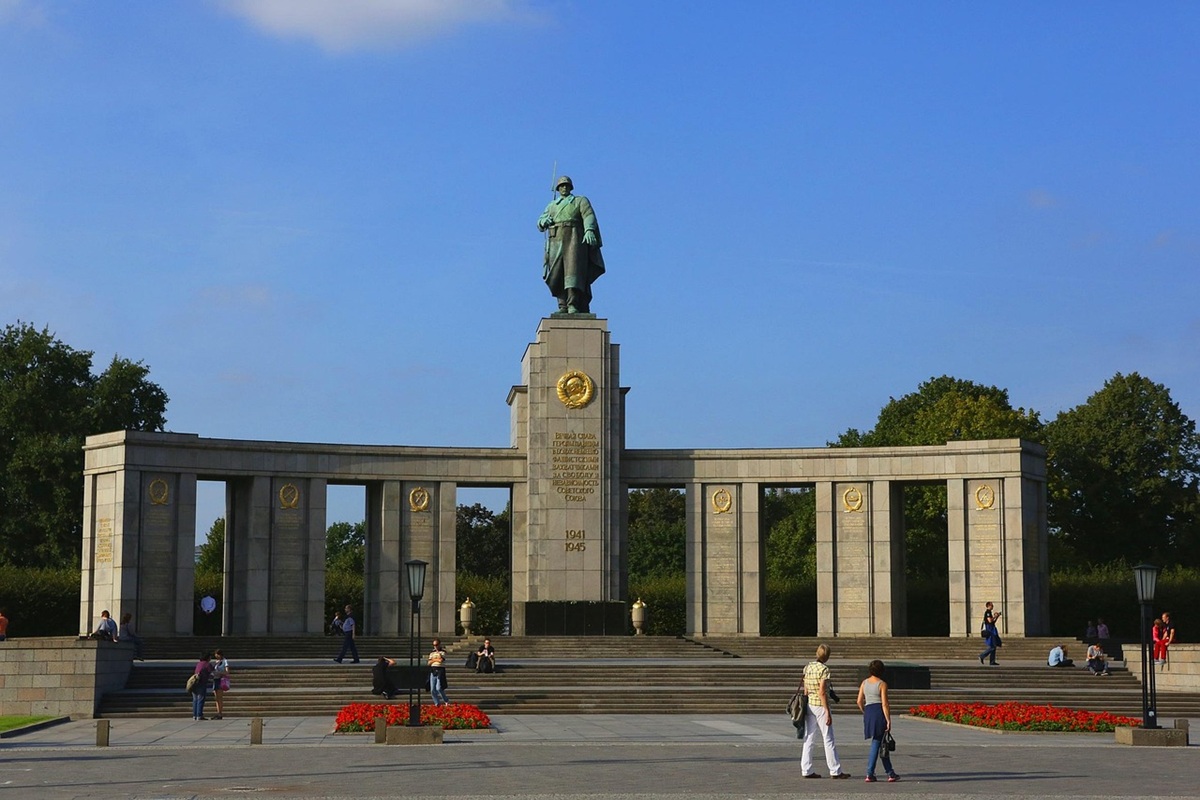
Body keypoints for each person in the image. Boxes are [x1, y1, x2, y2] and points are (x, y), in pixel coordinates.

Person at [537, 175, 605, 314]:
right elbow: (540, 221)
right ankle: (562, 305)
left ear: (571, 187)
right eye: (561, 186)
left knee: (573, 272)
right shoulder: (552, 205)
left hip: (574, 238)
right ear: (558, 188)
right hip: (556, 239)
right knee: (557, 272)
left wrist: (589, 230)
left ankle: (573, 303)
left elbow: (588, 215)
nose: (564, 188)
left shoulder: (580, 201)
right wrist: (543, 221)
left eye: (566, 185)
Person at [800, 643, 849, 779]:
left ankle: (806, 769)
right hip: (820, 706)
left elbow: (805, 689)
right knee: (828, 738)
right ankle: (835, 770)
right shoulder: (824, 670)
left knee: (809, 737)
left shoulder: (808, 667)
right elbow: (822, 692)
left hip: (809, 704)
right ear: (827, 656)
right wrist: (827, 711)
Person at [856, 660, 900, 783]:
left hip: (869, 711)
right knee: (877, 742)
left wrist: (865, 711)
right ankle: (870, 773)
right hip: (878, 712)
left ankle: (890, 772)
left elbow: (859, 701)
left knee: (881, 742)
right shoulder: (882, 684)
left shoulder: (864, 683)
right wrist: (888, 720)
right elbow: (885, 704)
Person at [191, 652, 214, 720]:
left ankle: (195, 715)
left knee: (195, 700)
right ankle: (199, 715)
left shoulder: (199, 664)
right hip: (201, 683)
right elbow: (212, 673)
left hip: (194, 683)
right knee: (201, 699)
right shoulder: (207, 664)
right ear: (208, 658)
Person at [428, 638, 449, 706]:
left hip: (440, 669)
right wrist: (435, 659)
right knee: (432, 689)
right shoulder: (432, 653)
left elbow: (441, 660)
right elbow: (429, 662)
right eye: (434, 645)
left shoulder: (443, 652)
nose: (435, 646)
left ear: (439, 644)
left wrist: (434, 659)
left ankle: (446, 700)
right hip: (433, 669)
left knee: (439, 688)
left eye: (436, 645)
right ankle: (437, 703)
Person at [211, 649, 230, 719]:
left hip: (221, 679)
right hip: (215, 679)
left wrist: (220, 673)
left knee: (219, 697)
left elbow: (227, 672)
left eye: (217, 654)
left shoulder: (225, 661)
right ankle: (218, 712)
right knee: (216, 698)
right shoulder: (216, 662)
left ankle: (220, 713)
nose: (216, 656)